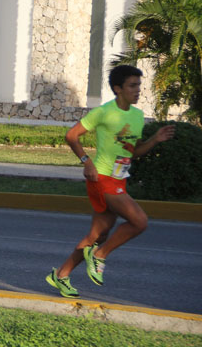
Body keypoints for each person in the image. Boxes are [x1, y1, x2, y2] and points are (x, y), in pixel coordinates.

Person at [46, 64, 175, 298]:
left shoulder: (136, 116)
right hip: (101, 177)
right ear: (118, 88)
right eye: (132, 86)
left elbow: (132, 152)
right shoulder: (103, 113)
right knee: (139, 221)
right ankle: (99, 256)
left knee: (98, 235)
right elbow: (71, 136)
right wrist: (87, 162)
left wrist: (155, 139)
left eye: (139, 85)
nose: (138, 90)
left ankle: (61, 275)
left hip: (119, 178)